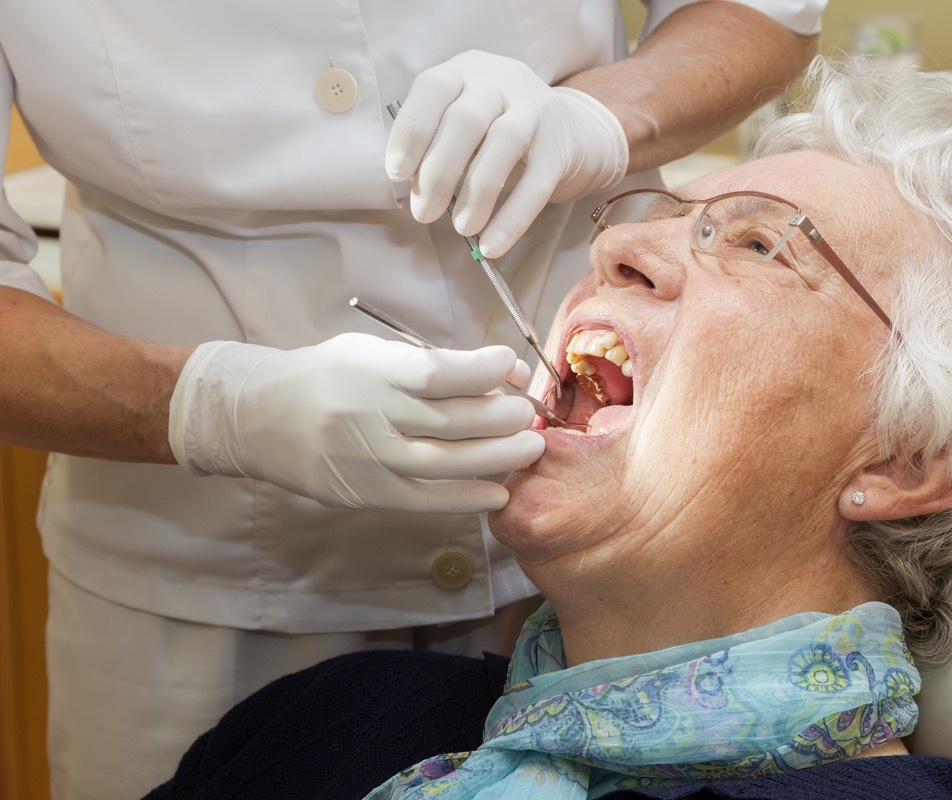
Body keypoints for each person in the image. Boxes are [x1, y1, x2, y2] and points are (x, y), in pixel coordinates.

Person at [143, 57, 952, 800]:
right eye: (658, 214)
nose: (616, 244)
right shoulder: (335, 716)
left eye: (758, 242)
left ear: (907, 457)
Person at [0, 2, 826, 797]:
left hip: (620, 570)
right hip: (205, 588)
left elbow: (763, 11)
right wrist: (219, 407)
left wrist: (598, 117)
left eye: (754, 244)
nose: (634, 259)